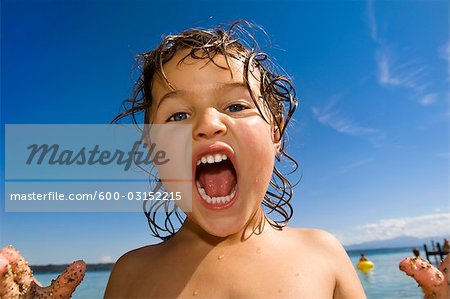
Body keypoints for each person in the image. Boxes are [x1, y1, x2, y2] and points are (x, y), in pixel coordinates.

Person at [103, 20, 366, 298]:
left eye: (236, 106)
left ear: (275, 132)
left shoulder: (322, 254)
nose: (208, 123)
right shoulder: (132, 274)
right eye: (177, 115)